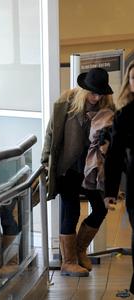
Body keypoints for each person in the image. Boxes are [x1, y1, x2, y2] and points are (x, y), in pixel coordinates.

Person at [41, 68, 115, 277]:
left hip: (92, 169)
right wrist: (46, 160)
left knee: (100, 208)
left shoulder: (107, 107)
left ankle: (80, 250)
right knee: (70, 211)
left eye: (101, 93)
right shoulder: (67, 102)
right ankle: (69, 261)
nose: (97, 97)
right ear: (84, 90)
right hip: (68, 167)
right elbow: (51, 133)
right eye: (93, 93)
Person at [104, 60, 134, 295]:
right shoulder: (125, 116)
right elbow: (113, 157)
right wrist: (111, 192)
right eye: (133, 78)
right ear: (129, 83)